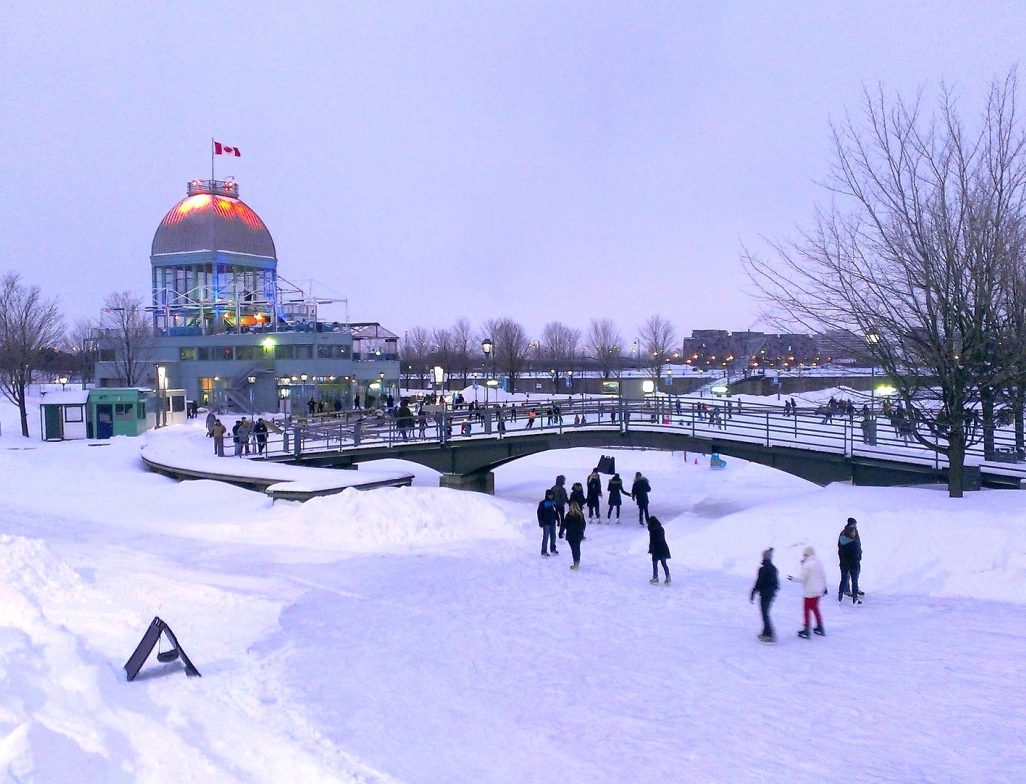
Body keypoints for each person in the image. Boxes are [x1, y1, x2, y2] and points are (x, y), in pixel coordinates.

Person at [788, 546, 828, 638]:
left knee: (806, 610)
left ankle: (806, 630)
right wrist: (824, 588)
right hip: (818, 591)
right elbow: (823, 576)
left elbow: (802, 578)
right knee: (815, 608)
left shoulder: (807, 565)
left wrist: (792, 578)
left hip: (810, 592)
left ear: (806, 554)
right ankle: (820, 627)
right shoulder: (818, 563)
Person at [750, 548, 779, 643]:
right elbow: (776, 585)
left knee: (765, 614)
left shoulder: (763, 569)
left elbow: (759, 582)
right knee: (765, 613)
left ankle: (769, 634)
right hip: (769, 595)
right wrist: (772, 593)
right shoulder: (774, 568)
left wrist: (753, 592)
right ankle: (766, 632)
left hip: (765, 595)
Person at [838, 517, 863, 604]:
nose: (855, 526)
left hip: (854, 557)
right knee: (847, 576)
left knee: (855, 574)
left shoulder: (855, 531)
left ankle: (853, 589)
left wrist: (859, 552)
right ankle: (847, 590)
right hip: (850, 559)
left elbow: (858, 543)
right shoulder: (845, 533)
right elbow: (842, 547)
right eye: (854, 524)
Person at [560, 501, 586, 570]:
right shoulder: (580, 515)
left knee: (574, 549)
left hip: (571, 535)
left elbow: (564, 525)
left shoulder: (569, 515)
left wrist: (561, 532)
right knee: (577, 548)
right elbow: (583, 525)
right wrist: (582, 533)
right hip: (578, 535)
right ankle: (577, 562)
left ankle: (575, 563)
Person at [647, 516, 671, 585]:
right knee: (664, 563)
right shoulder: (661, 528)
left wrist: (651, 549)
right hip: (663, 547)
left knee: (655, 563)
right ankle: (668, 576)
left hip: (656, 548)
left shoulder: (652, 530)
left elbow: (652, 541)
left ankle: (655, 577)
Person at [537, 490, 559, 557]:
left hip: (553, 522)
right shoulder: (543, 503)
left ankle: (553, 549)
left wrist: (558, 520)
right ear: (547, 495)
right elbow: (539, 513)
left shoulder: (554, 503)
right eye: (550, 495)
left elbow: (556, 512)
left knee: (553, 536)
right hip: (546, 523)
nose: (551, 496)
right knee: (546, 537)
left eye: (552, 495)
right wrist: (540, 521)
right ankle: (544, 551)